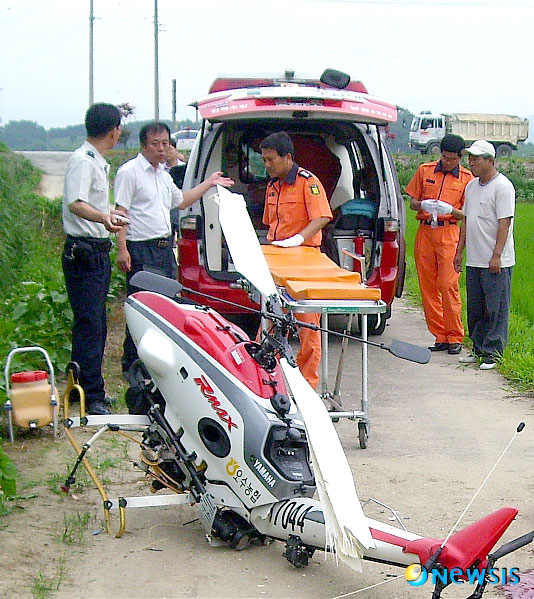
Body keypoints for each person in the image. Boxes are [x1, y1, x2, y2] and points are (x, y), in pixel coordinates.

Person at [114, 121, 233, 377]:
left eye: (165, 143)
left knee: (164, 306)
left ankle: (153, 363)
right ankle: (133, 366)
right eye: (155, 143)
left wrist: (210, 183)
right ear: (144, 145)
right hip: (141, 249)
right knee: (143, 308)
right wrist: (121, 248)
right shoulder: (130, 172)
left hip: (165, 248)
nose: (161, 148)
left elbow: (181, 202)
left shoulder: (163, 175)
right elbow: (120, 213)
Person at [62, 102, 125, 415]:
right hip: (84, 253)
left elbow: (90, 205)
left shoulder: (95, 161)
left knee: (91, 323)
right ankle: (92, 395)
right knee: (91, 325)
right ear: (113, 131)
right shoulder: (84, 160)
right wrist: (103, 217)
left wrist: (108, 215)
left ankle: (80, 388)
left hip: (95, 252)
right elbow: (75, 203)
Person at [260, 131, 333, 390]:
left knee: (307, 326)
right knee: (270, 322)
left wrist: (300, 238)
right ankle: (269, 382)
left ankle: (307, 386)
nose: (266, 165)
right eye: (264, 160)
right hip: (278, 257)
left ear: (287, 157)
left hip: (304, 259)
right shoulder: (272, 185)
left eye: (271, 160)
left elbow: (322, 216)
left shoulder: (307, 182)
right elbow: (270, 223)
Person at [405, 134, 474, 355]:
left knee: (448, 284)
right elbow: (412, 202)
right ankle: (440, 335)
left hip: (449, 232)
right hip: (425, 231)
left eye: (453, 159)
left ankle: (455, 335)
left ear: (460, 157)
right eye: (444, 157)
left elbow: (468, 213)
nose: (448, 162)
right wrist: (422, 204)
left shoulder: (467, 178)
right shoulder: (425, 171)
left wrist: (450, 210)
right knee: (428, 285)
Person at [454, 140, 515, 370]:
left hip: (496, 260)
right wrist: (460, 251)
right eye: (470, 158)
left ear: (490, 160)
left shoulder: (503, 187)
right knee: (476, 307)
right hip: (475, 259)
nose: (471, 163)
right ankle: (478, 348)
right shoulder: (471, 187)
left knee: (496, 307)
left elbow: (504, 223)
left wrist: (497, 255)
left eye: (476, 159)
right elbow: (467, 220)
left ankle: (493, 351)